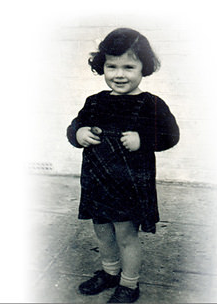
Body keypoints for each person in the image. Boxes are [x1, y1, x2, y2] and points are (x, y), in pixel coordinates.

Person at [67, 28, 179, 303]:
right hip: (97, 181)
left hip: (129, 184)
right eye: (111, 66)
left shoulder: (151, 104)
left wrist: (144, 139)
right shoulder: (95, 102)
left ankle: (130, 283)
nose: (119, 74)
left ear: (144, 67)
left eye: (129, 66)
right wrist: (78, 134)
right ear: (101, 66)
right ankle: (110, 271)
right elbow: (76, 125)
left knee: (126, 235)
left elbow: (170, 136)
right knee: (102, 231)